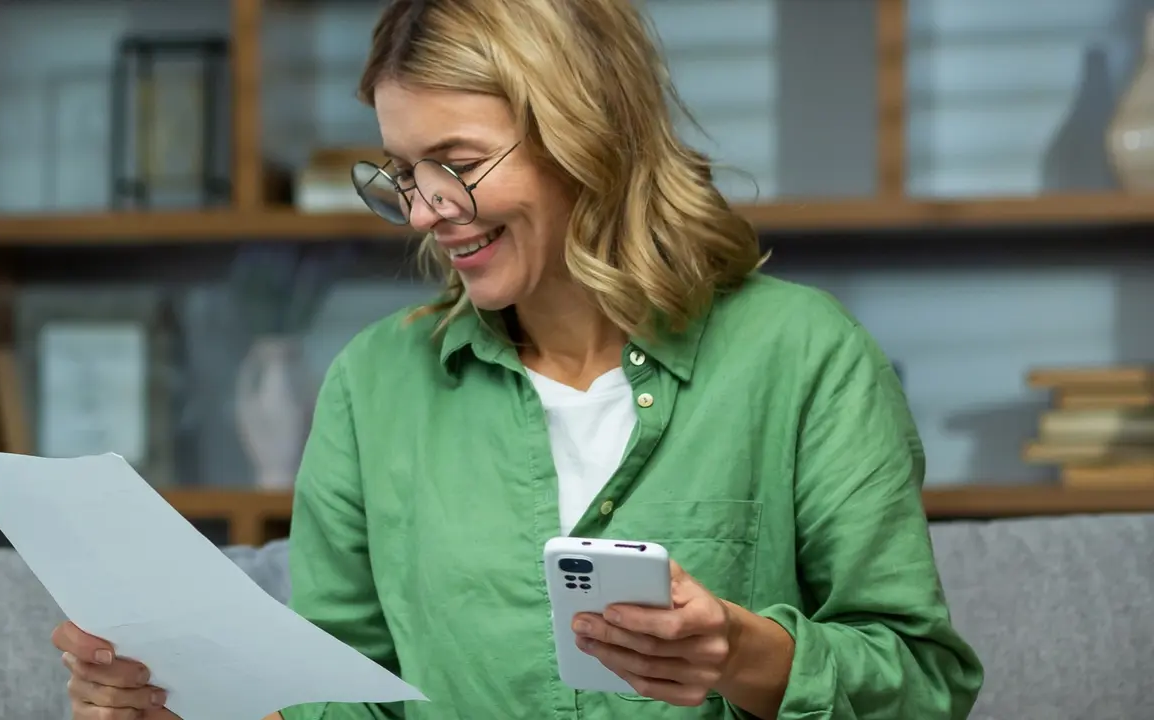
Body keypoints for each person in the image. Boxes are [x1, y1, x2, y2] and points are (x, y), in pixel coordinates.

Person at [51, 0, 985, 718]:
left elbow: (925, 682)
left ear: (588, 132)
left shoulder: (803, 356)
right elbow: (350, 700)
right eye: (405, 173)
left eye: (457, 162)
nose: (422, 211)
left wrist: (742, 657)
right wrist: (179, 696)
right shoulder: (374, 385)